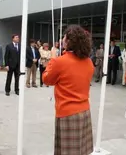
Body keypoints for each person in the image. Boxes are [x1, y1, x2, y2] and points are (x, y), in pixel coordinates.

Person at [43, 25, 94, 155]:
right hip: (84, 111)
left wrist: (53, 58)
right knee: (81, 151)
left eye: (64, 36)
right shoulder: (88, 62)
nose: (62, 39)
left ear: (69, 41)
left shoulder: (60, 62)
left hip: (67, 113)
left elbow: (46, 79)